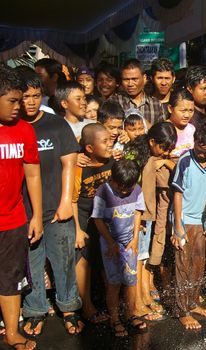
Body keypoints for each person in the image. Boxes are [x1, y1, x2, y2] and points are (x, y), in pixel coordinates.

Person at [18, 70, 84, 337]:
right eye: (25, 97)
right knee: (31, 264)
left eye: (36, 96)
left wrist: (66, 201)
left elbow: (69, 164)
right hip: (23, 211)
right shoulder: (11, 127)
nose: (31, 102)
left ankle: (69, 307)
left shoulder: (56, 124)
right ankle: (34, 310)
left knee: (64, 260)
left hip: (58, 209)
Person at [0, 65, 41, 350]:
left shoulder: (25, 130)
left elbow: (33, 175)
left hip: (14, 219)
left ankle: (12, 332)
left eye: (21, 100)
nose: (19, 107)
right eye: (12, 101)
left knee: (11, 278)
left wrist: (36, 215)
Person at [123, 122, 176, 321]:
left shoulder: (153, 154)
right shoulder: (135, 156)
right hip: (135, 212)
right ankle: (135, 303)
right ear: (152, 141)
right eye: (163, 148)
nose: (165, 153)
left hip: (147, 210)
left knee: (143, 257)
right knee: (136, 259)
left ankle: (144, 297)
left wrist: (164, 161)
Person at [171, 124, 206, 330]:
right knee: (183, 265)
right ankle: (181, 310)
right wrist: (178, 228)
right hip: (184, 220)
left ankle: (192, 302)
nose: (203, 155)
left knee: (198, 265)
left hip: (201, 220)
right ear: (195, 142)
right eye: (200, 151)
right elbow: (177, 194)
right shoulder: (184, 161)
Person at [92, 160, 148, 336]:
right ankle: (114, 318)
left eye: (128, 189)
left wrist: (135, 238)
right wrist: (110, 242)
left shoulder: (137, 189)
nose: (124, 192)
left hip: (129, 241)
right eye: (121, 188)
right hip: (110, 244)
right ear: (112, 179)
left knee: (131, 280)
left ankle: (130, 315)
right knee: (114, 282)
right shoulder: (103, 192)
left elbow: (138, 213)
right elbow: (98, 220)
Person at [73, 123, 114, 325]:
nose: (110, 144)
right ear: (89, 148)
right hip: (83, 217)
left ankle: (111, 305)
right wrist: (77, 230)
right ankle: (87, 306)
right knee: (84, 261)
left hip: (105, 218)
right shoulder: (79, 167)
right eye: (104, 141)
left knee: (106, 260)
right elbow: (72, 201)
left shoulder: (113, 161)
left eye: (110, 140)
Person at [109, 59, 166, 126]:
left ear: (144, 78)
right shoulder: (114, 102)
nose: (130, 84)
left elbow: (161, 133)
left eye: (134, 79)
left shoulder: (156, 105)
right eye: (126, 79)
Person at [168, 88, 196, 161]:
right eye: (183, 110)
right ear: (170, 109)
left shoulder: (192, 129)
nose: (187, 115)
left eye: (191, 110)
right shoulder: (162, 129)